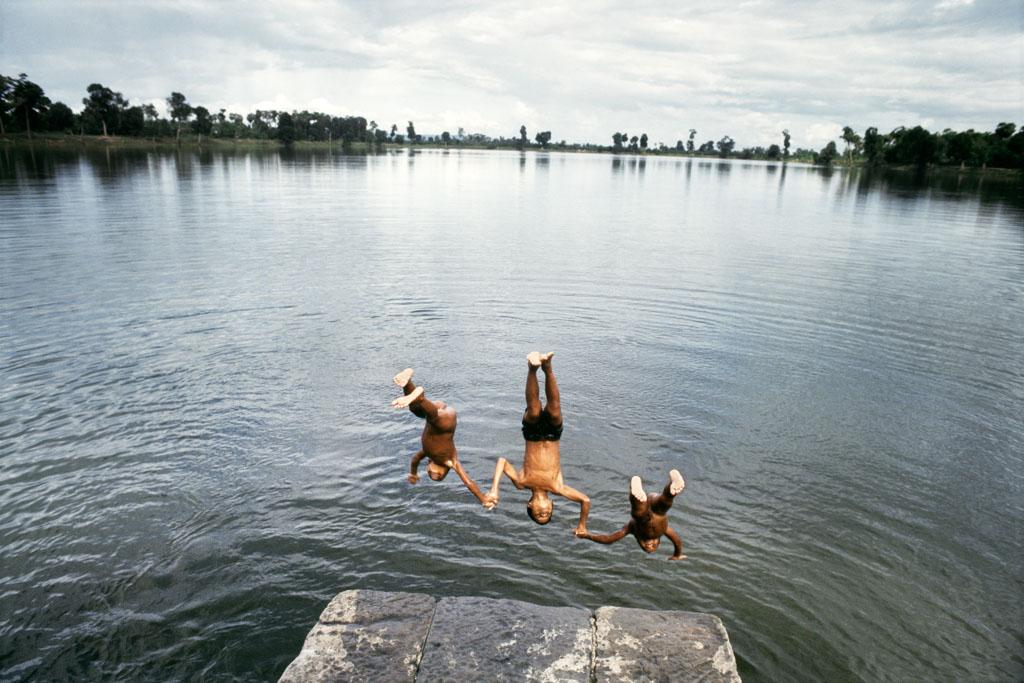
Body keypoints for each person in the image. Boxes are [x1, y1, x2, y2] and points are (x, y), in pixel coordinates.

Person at [483, 352, 590, 535]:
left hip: (531, 435)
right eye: (548, 514)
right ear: (551, 504)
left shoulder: (521, 483)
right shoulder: (557, 488)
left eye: (539, 516)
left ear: (529, 505)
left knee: (533, 410)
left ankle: (532, 369)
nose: (544, 513)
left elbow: (502, 462)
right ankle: (547, 368)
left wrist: (494, 490)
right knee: (554, 409)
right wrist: (582, 525)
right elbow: (585, 501)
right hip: (552, 436)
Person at [391, 368, 489, 505]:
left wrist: (413, 473)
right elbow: (468, 482)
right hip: (446, 423)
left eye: (431, 474)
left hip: (436, 411)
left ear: (428, 466)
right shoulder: (450, 461)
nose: (434, 473)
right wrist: (482, 498)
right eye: (438, 475)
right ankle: (420, 395)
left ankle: (407, 383)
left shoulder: (426, 453)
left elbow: (414, 460)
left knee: (415, 410)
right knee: (431, 416)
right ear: (445, 471)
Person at [578, 470, 687, 560]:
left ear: (639, 542)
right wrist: (677, 555)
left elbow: (609, 539)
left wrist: (587, 535)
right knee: (665, 502)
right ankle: (673, 485)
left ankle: (635, 490)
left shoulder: (631, 529)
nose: (649, 545)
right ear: (659, 541)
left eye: (645, 547)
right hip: (658, 509)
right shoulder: (665, 530)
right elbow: (677, 542)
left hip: (643, 510)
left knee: (639, 511)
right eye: (653, 545)